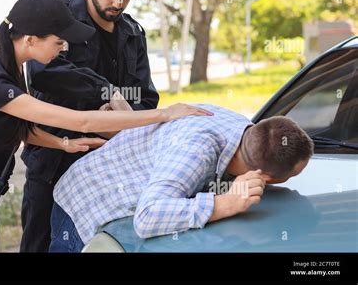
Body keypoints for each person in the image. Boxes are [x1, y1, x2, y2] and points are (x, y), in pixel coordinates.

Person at [0, 0, 212, 252]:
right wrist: (162, 115)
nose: (63, 49)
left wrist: (64, 144)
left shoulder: (5, 58)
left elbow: (22, 129)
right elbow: (81, 121)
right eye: (58, 42)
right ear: (30, 39)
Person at [20, 0, 160, 252]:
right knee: (39, 245)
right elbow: (43, 71)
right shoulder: (56, 16)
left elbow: (147, 100)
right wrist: (106, 93)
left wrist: (122, 119)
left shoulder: (134, 33)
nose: (119, 1)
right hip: (54, 161)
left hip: (109, 167)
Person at [49, 105, 314, 252]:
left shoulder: (246, 131)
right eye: (293, 175)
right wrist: (225, 203)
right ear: (264, 177)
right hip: (83, 206)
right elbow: (147, 217)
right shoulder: (196, 151)